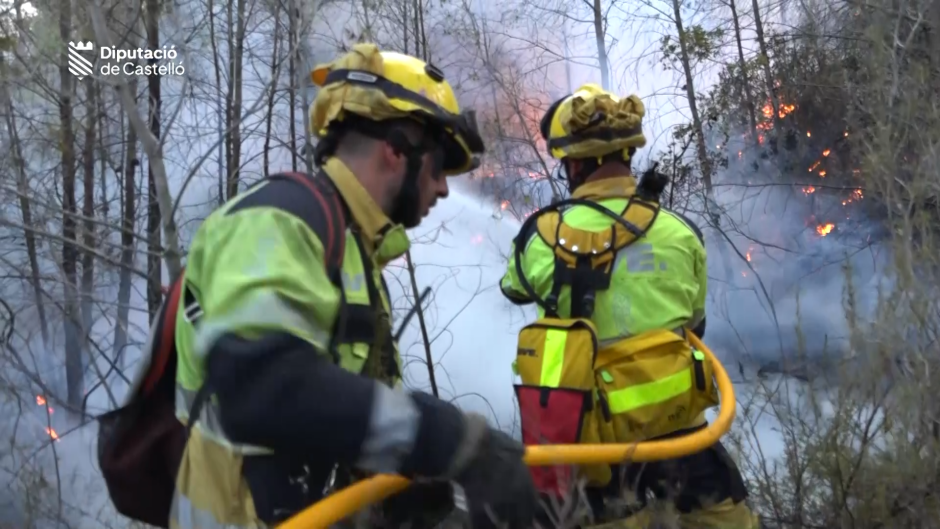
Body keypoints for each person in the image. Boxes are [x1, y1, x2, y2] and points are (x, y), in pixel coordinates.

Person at [169, 43, 537, 529]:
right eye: (439, 164)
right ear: (395, 150)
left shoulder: (350, 245)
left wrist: (396, 481)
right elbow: (261, 388)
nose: (445, 188)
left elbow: (329, 403)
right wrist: (448, 441)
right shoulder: (279, 220)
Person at [500, 84, 759, 529]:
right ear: (628, 155)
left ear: (574, 164)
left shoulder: (540, 237)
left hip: (592, 442)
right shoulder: (681, 232)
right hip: (682, 431)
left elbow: (515, 288)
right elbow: (696, 322)